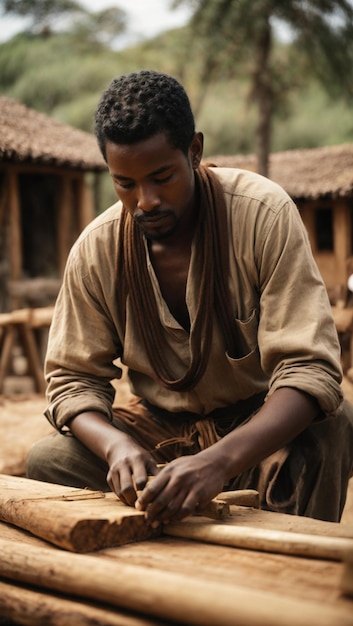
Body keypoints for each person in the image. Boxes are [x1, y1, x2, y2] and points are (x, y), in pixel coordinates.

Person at [26, 69, 353, 524]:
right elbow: (72, 382)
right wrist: (118, 447)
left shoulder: (264, 215)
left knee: (332, 426)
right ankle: (148, 579)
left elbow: (310, 369)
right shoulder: (96, 249)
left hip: (257, 432)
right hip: (157, 438)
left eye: (162, 177)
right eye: (125, 183)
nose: (146, 201)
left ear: (194, 151)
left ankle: (290, 575)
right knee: (49, 460)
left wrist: (219, 462)